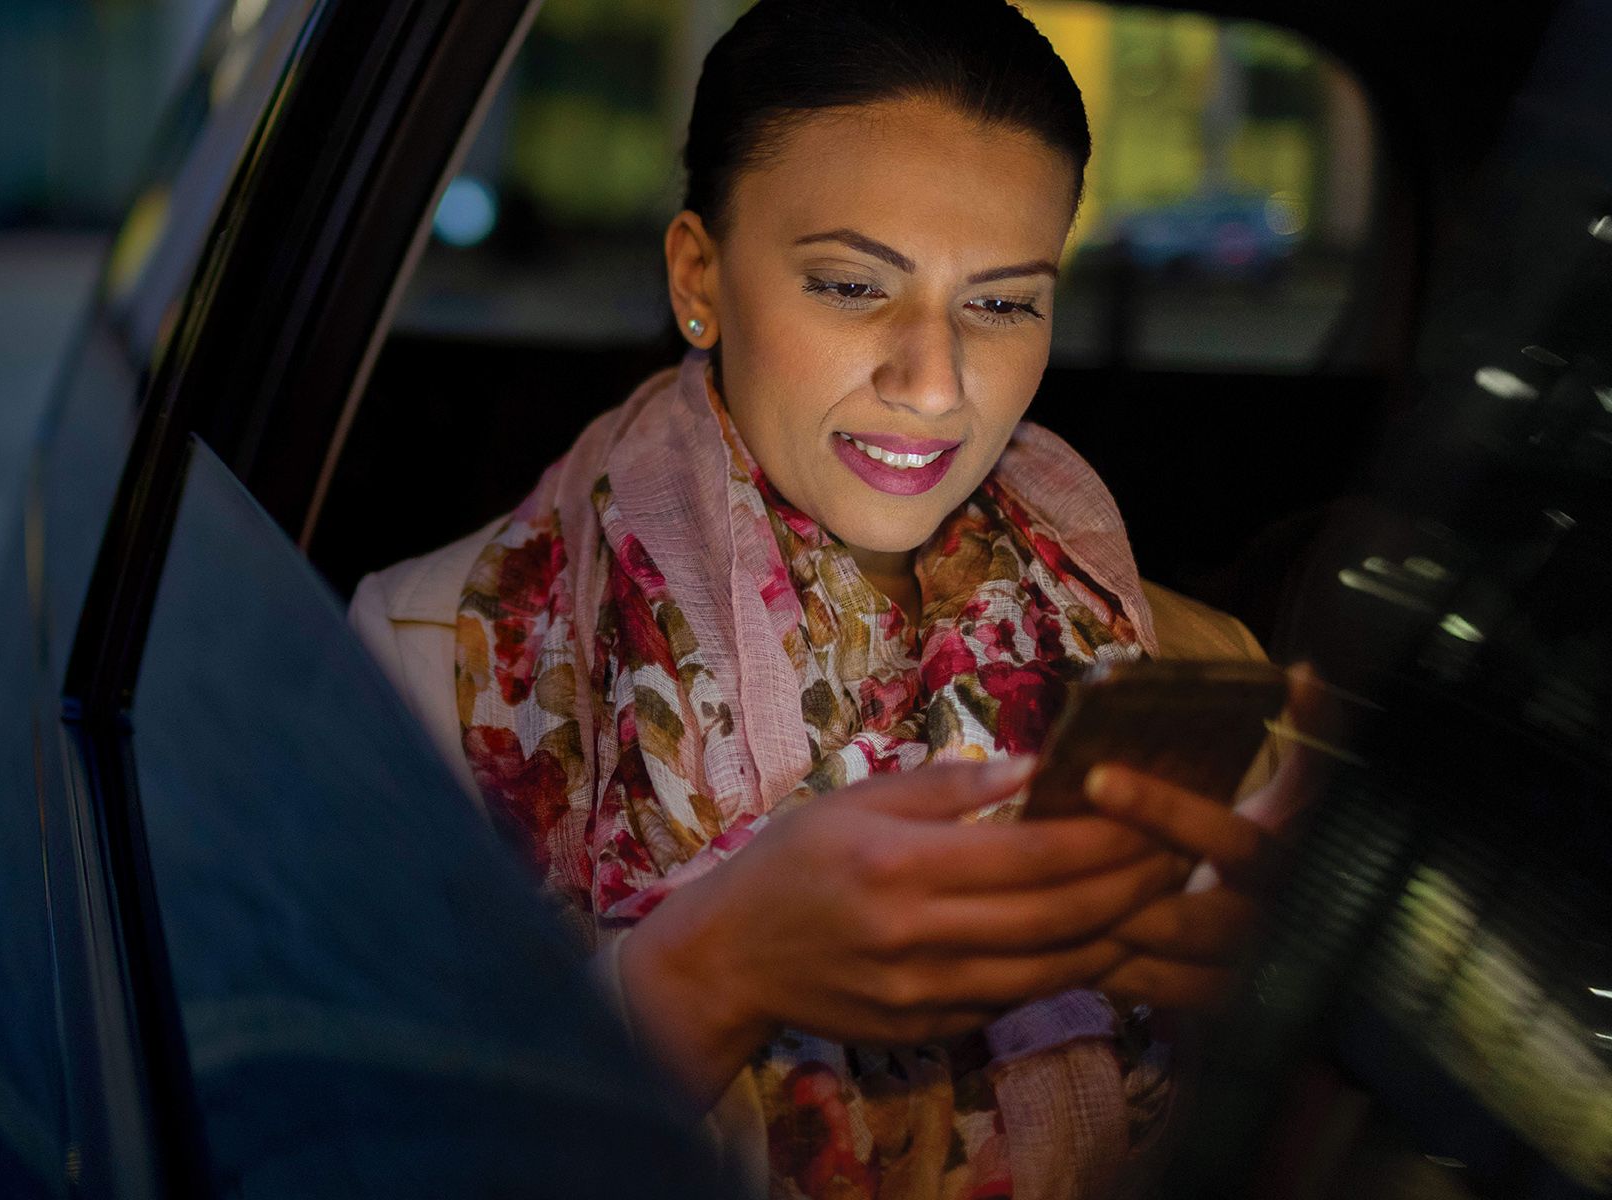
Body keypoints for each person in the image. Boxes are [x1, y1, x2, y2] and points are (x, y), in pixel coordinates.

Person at [346, 2, 1320, 1197]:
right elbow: (358, 1148)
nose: (933, 380)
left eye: (1004, 302)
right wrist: (709, 977)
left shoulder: (1181, 671)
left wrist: (1288, 1007)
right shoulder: (427, 665)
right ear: (698, 276)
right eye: (855, 285)